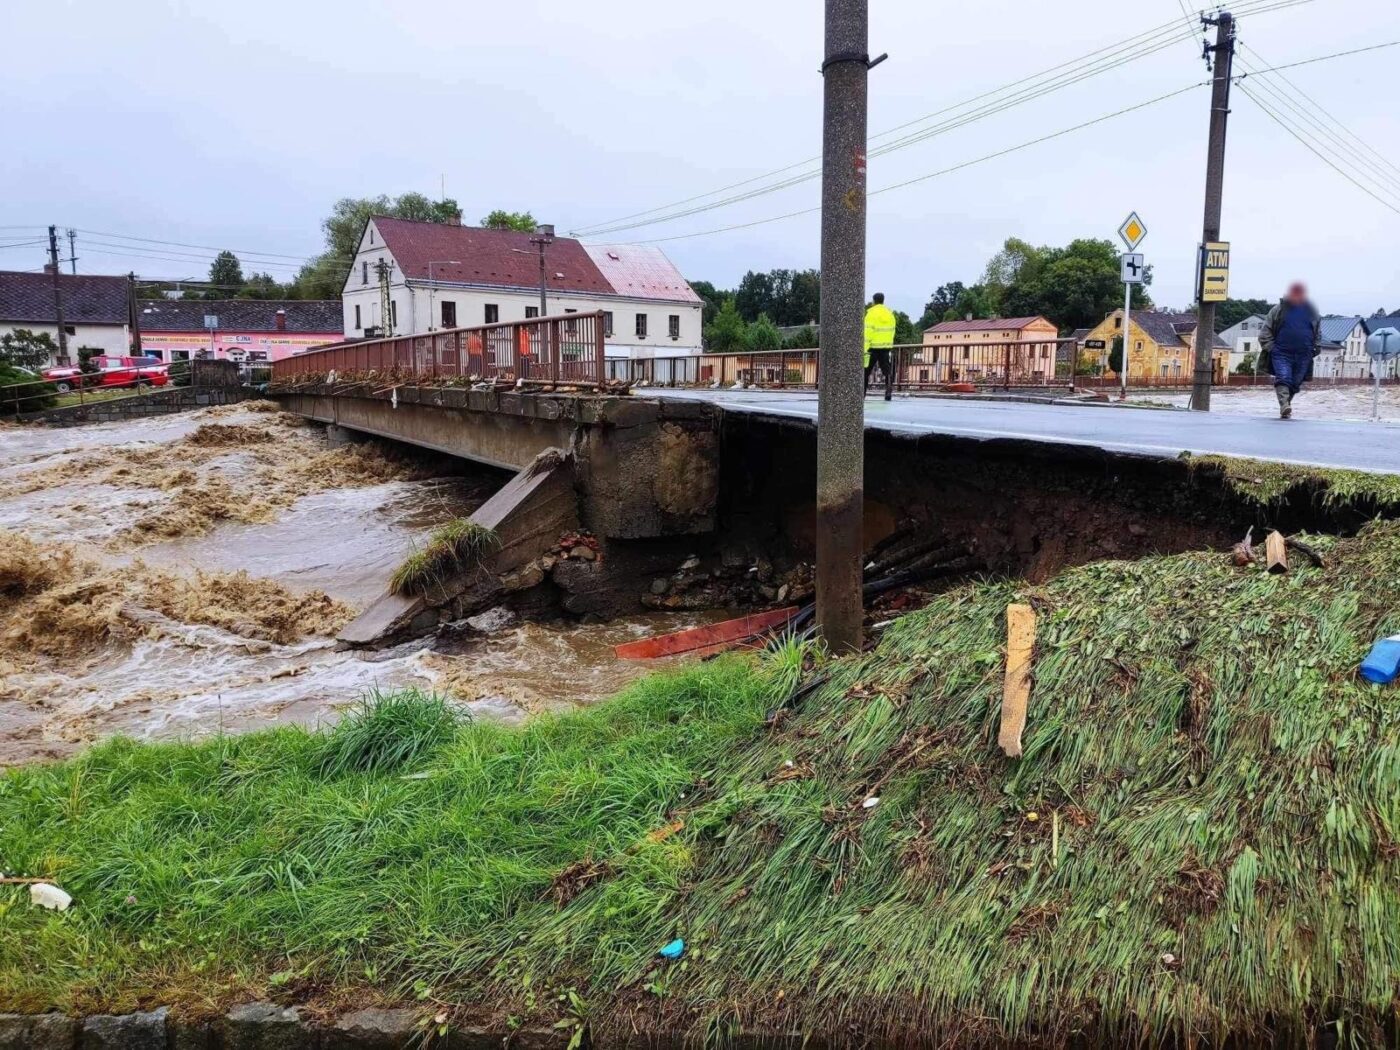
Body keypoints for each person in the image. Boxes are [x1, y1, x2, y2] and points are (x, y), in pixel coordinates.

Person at [1259, 281, 1321, 419]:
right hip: (1281, 352)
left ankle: (1286, 404)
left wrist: (1316, 348)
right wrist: (1271, 348)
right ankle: (1284, 405)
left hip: (1304, 354)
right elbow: (1265, 331)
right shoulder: (1278, 310)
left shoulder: (1311, 312)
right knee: (1283, 377)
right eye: (1295, 293)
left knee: (1296, 382)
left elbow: (1317, 332)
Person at [863, 293, 897, 400]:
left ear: (874, 301)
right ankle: (888, 391)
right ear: (883, 300)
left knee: (865, 371)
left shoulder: (871, 314)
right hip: (885, 347)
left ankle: (862, 394)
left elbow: (867, 332)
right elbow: (892, 330)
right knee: (887, 371)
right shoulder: (890, 313)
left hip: (872, 347)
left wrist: (864, 348)